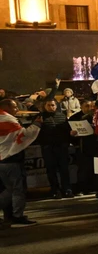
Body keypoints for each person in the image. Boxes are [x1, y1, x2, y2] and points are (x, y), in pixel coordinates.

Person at [0, 97, 41, 226]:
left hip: (2, 160)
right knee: (18, 189)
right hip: (12, 159)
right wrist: (37, 125)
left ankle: (8, 215)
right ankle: (17, 215)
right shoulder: (8, 120)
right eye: (14, 106)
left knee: (6, 190)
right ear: (6, 107)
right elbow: (24, 135)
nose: (17, 109)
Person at [38, 98, 73, 198]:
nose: (51, 107)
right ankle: (55, 190)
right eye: (49, 105)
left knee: (64, 169)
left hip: (62, 146)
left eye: (53, 105)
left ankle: (67, 189)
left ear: (56, 106)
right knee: (51, 170)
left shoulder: (62, 116)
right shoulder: (40, 117)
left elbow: (67, 130)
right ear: (45, 106)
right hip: (48, 147)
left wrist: (70, 135)